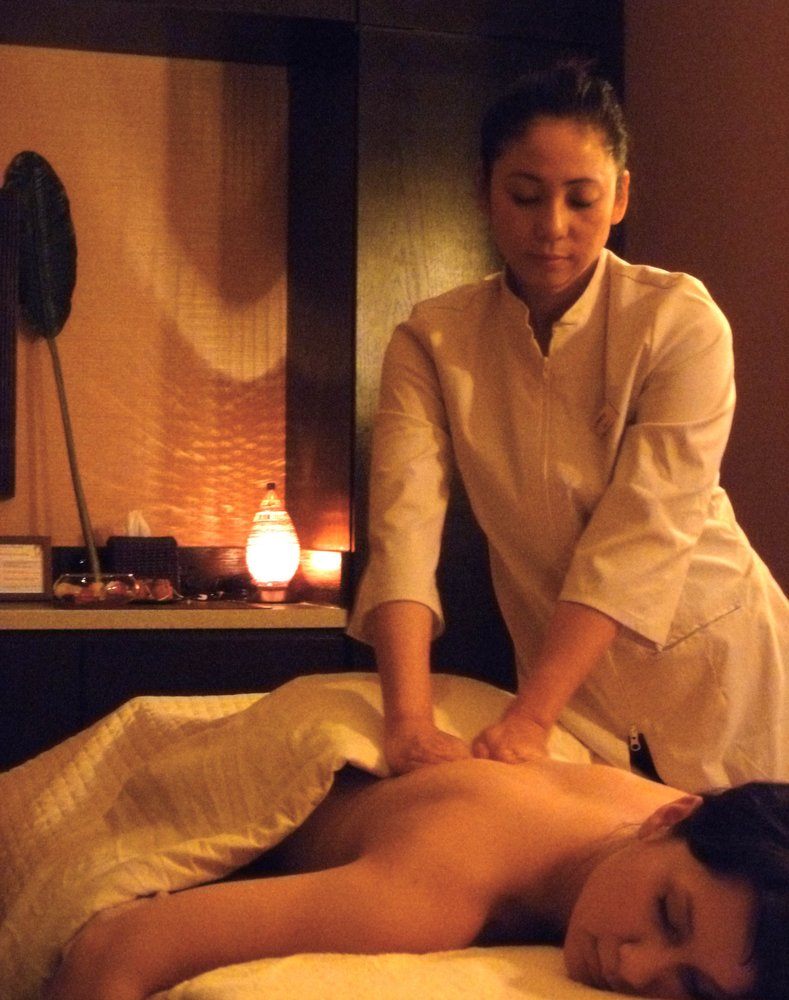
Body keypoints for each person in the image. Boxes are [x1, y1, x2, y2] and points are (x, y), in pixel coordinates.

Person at [347, 60, 789, 790]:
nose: (551, 227)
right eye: (524, 196)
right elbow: (403, 530)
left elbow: (641, 533)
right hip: (572, 704)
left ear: (620, 197)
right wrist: (408, 720)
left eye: (581, 199)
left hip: (721, 670)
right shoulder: (433, 341)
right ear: (483, 191)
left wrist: (530, 717)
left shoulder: (677, 322)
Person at [42, 755, 789, 1000]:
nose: (636, 966)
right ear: (669, 817)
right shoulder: (435, 892)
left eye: (692, 988)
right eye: (667, 915)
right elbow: (119, 949)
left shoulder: (700, 839)